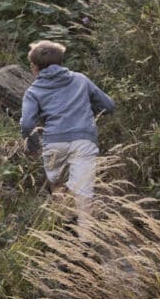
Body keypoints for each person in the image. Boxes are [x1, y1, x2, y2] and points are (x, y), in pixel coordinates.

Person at [18, 40, 116, 221]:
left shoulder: (33, 91)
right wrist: (85, 111)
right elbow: (108, 106)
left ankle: (64, 225)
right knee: (84, 193)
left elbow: (27, 124)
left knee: (56, 183)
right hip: (84, 141)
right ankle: (85, 242)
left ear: (35, 67)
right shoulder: (80, 79)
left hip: (54, 142)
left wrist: (32, 148)